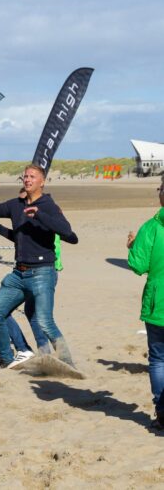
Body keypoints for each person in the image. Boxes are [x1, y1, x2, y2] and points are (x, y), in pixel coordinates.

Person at [0, 165, 77, 368]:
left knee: (44, 321)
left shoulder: (48, 205)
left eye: (32, 176)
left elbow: (68, 232)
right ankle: (8, 359)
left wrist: (40, 215)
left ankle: (68, 364)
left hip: (42, 273)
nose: (27, 179)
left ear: (42, 182)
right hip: (18, 274)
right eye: (25, 176)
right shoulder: (16, 205)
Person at [127, 180, 164, 430]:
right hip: (157, 305)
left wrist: (132, 247)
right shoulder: (150, 227)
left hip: (157, 305)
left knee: (159, 359)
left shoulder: (151, 227)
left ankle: (162, 412)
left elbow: (138, 265)